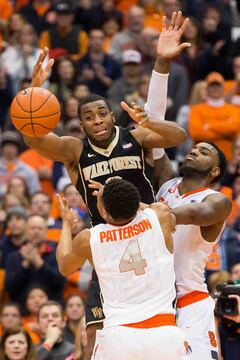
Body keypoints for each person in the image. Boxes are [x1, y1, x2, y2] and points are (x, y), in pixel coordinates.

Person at [22, 12, 190, 358]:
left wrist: (153, 122)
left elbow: (178, 136)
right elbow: (35, 139)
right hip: (106, 245)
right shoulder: (74, 149)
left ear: (112, 115)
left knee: (157, 320)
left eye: (102, 113)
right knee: (94, 336)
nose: (97, 120)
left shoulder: (134, 135)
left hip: (146, 232)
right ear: (80, 122)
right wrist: (34, 92)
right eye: (88, 116)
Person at [56, 178, 188, 359]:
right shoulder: (159, 216)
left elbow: (64, 266)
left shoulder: (89, 238)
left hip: (119, 337)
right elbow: (152, 208)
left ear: (103, 211)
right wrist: (118, 198)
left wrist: (65, 224)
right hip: (164, 332)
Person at [156, 142, 232, 359]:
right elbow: (158, 141)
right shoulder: (167, 185)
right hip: (156, 303)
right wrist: (147, 119)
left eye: (204, 152)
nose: (194, 151)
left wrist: (144, 210)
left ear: (215, 171)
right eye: (194, 148)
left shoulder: (217, 201)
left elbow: (191, 213)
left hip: (189, 301)